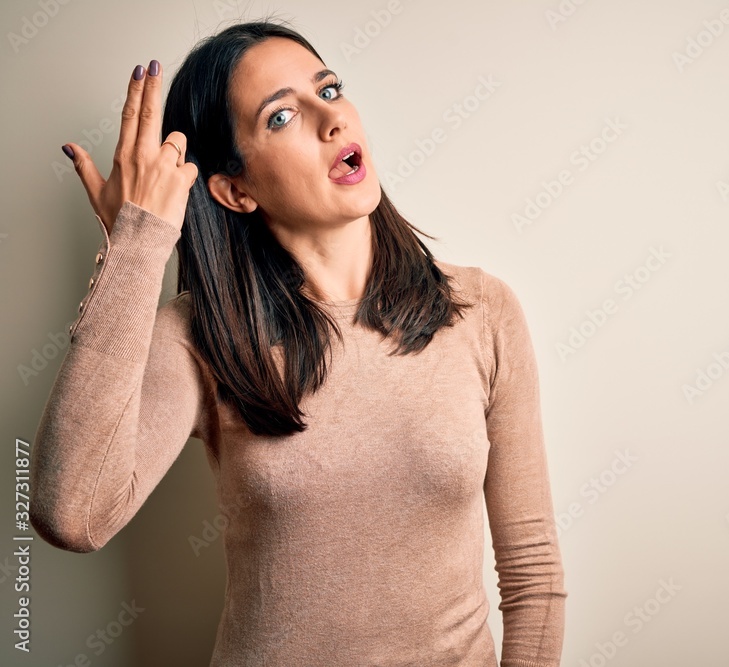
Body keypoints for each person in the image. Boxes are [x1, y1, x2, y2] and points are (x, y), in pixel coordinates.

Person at [31, 18, 567, 666]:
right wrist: (137, 243)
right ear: (235, 190)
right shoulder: (204, 333)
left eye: (330, 89)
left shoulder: (483, 310)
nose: (330, 119)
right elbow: (73, 513)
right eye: (281, 117)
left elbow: (534, 575)